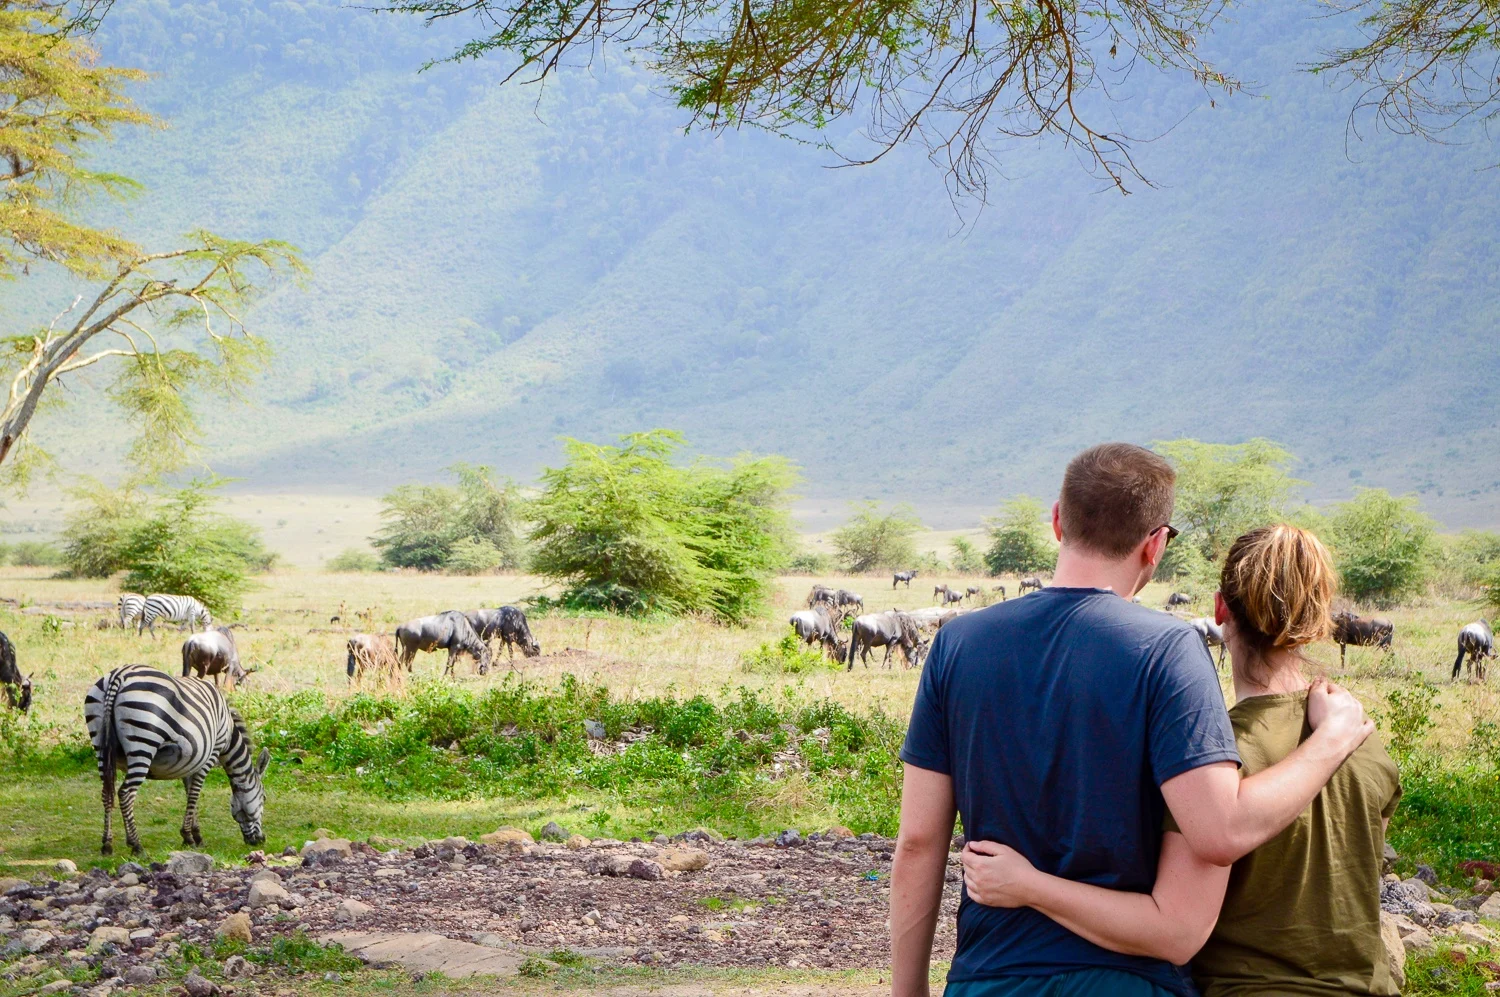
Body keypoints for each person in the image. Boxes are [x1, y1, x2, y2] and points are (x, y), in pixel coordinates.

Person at [889, 443, 1374, 997]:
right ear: (1155, 545)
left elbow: (920, 842)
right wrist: (1329, 741)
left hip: (990, 975)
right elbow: (1220, 829)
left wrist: (909, 991)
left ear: (1056, 521)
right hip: (1129, 979)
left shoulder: (957, 644)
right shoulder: (1168, 649)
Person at [960, 524, 1401, 996]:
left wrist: (1029, 886)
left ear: (1219, 610)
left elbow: (1172, 927)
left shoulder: (1208, 756)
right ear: (1319, 621)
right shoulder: (1363, 742)